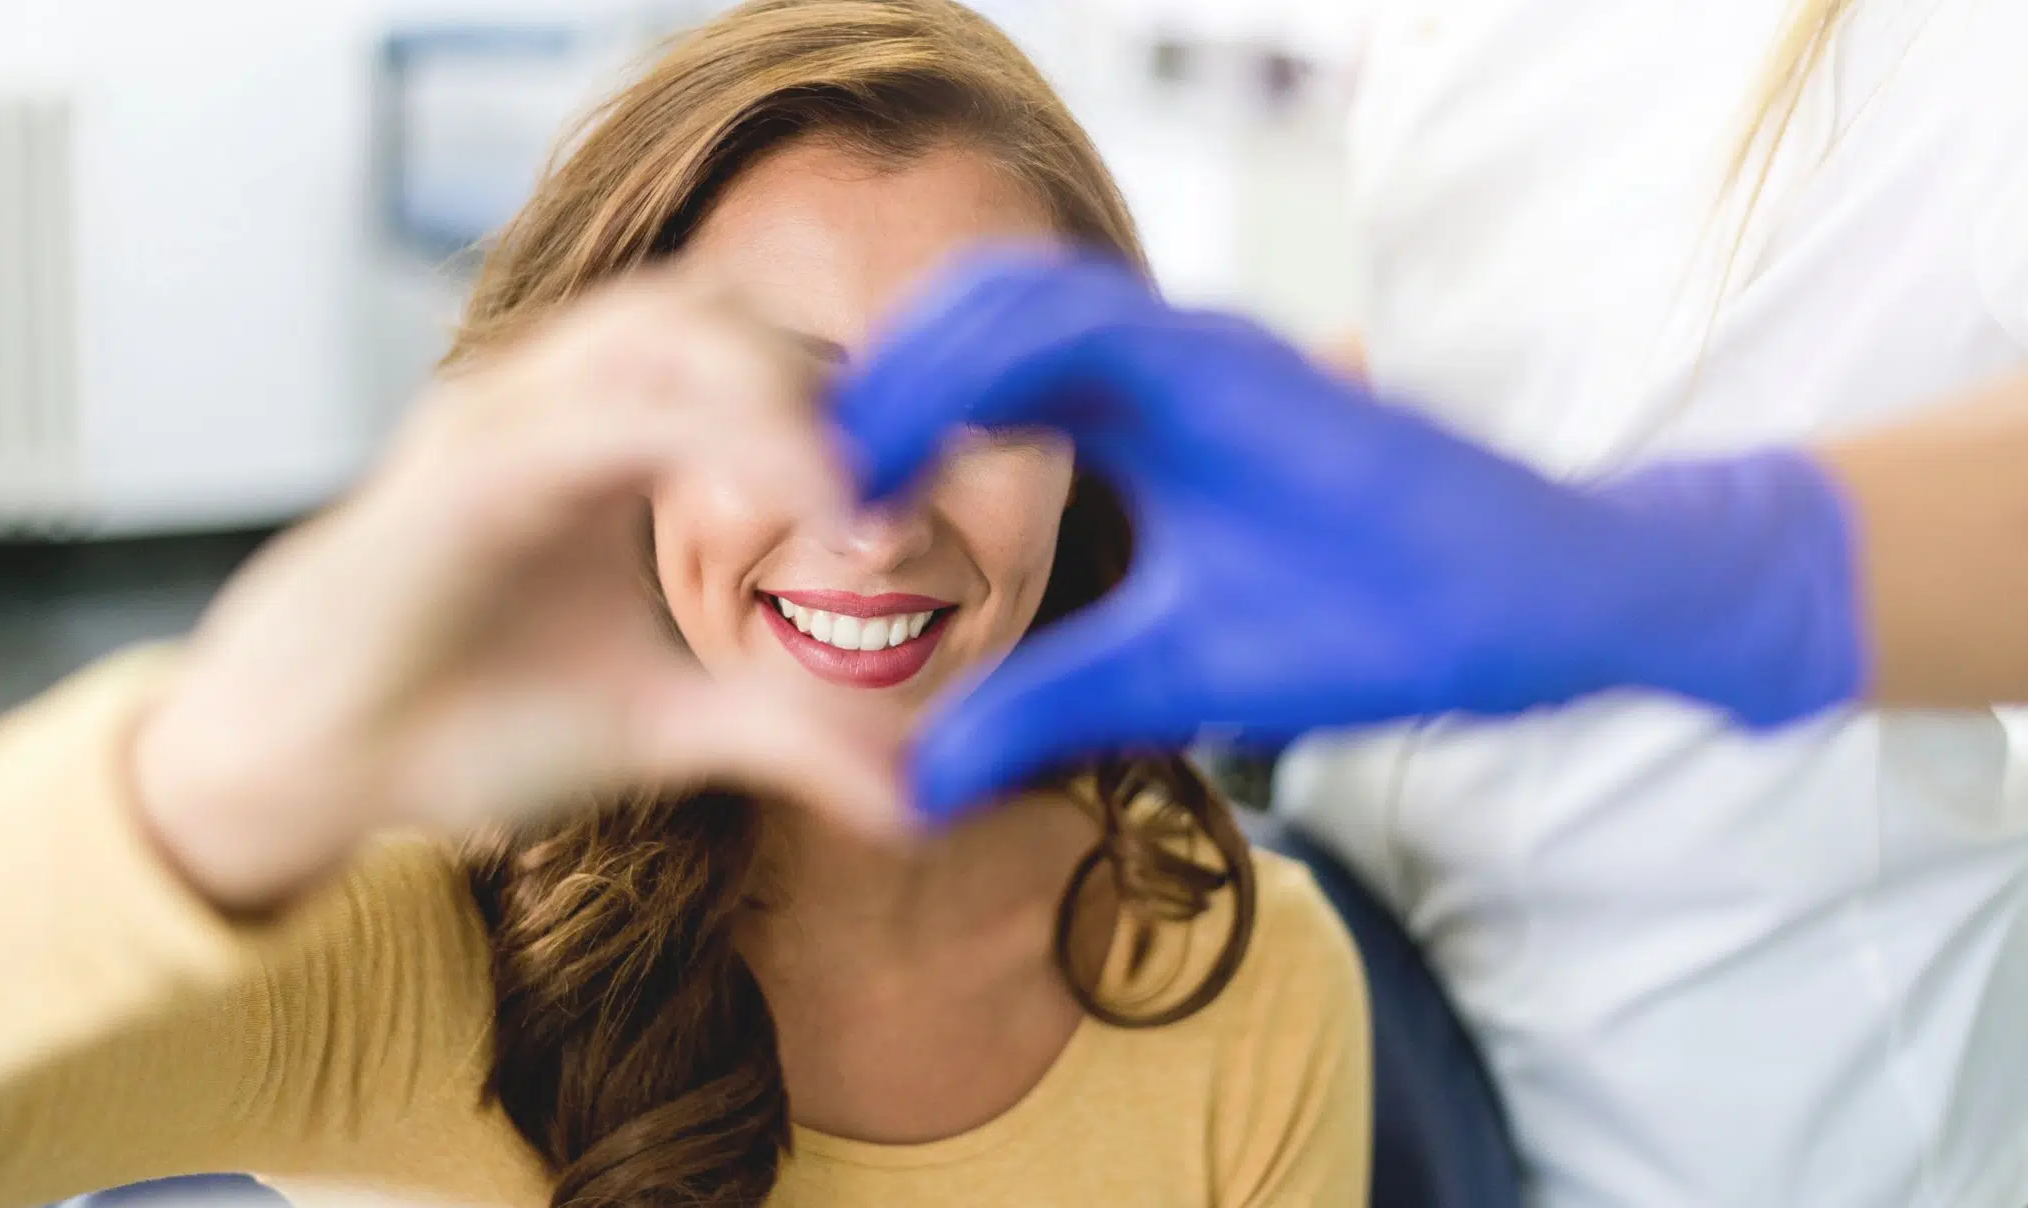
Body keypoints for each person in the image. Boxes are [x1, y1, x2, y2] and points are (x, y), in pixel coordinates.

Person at [0, 4, 1370, 1207]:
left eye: (984, 403)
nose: (873, 513)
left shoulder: (1230, 968)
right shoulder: (421, 939)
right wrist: (232, 756)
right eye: (781, 390)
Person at [832, 1, 2028, 1205]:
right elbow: (1551, 345)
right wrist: (1247, 441)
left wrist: (1642, 569)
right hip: (1399, 985)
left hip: (1756, 1098)